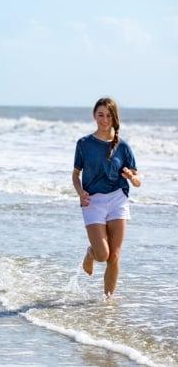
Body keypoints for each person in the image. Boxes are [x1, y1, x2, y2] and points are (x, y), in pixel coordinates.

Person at [72, 97, 141, 297]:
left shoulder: (123, 147)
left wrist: (131, 177)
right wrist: (80, 192)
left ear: (114, 118)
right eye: (100, 115)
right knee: (103, 254)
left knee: (115, 256)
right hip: (93, 201)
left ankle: (107, 303)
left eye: (108, 115)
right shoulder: (84, 144)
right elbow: (75, 174)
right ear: (94, 116)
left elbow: (137, 180)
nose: (104, 120)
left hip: (118, 199)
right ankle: (90, 253)